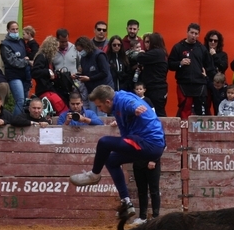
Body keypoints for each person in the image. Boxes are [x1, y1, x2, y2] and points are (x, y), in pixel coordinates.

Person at [69, 85, 166, 220]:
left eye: (100, 106)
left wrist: (135, 109)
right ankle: (126, 202)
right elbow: (125, 131)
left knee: (104, 142)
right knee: (111, 161)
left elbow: (132, 103)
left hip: (148, 143)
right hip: (145, 143)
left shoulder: (123, 100)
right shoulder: (116, 105)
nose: (99, 110)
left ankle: (94, 175)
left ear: (108, 102)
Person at [168, 23, 211, 119]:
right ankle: (184, 132)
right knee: (184, 110)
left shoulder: (202, 48)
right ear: (187, 32)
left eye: (196, 33)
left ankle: (200, 133)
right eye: (192, 33)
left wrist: (206, 73)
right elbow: (170, 65)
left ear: (199, 35)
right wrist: (180, 63)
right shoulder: (178, 47)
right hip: (184, 84)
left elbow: (209, 66)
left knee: (201, 111)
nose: (194, 35)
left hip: (200, 84)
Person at [132, 33, 169, 117]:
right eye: (145, 42)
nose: (146, 44)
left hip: (156, 89)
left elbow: (139, 57)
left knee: (158, 113)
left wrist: (140, 53)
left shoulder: (157, 52)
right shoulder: (161, 52)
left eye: (148, 42)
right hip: (155, 88)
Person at [75, 36, 113, 116]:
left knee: (102, 114)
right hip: (91, 90)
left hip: (102, 90)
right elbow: (86, 72)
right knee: (92, 114)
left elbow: (105, 72)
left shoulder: (99, 55)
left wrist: (90, 78)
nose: (81, 52)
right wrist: (78, 76)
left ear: (85, 46)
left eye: (81, 50)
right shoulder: (83, 58)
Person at [31, 36, 69, 114]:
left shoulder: (48, 59)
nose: (57, 50)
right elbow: (35, 72)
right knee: (61, 106)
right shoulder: (41, 57)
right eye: (56, 48)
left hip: (50, 88)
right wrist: (48, 72)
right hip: (44, 89)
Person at [0, 21, 29, 115]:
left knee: (25, 102)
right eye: (13, 29)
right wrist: (25, 61)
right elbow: (12, 61)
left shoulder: (21, 41)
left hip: (25, 75)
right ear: (8, 30)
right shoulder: (5, 44)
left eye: (17, 29)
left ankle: (21, 121)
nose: (15, 31)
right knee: (20, 100)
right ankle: (14, 123)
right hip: (14, 76)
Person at [131, 156, 161, 226]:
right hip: (138, 164)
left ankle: (155, 218)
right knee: (141, 191)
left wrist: (154, 160)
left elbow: (161, 146)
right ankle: (142, 217)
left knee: (154, 191)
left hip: (152, 164)